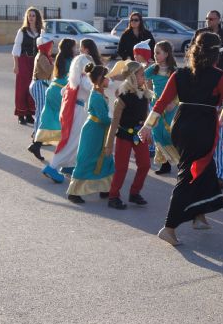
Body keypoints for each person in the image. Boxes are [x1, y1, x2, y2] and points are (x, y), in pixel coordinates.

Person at [139, 32, 223, 246]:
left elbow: (160, 103)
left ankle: (199, 215)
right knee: (188, 174)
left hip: (181, 125)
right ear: (216, 55)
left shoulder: (179, 75)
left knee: (206, 169)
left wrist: (148, 125)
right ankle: (169, 227)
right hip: (201, 127)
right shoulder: (219, 76)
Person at [191, 10, 223, 189]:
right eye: (207, 18)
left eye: (212, 19)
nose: (208, 21)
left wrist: (221, 68)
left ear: (218, 20)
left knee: (218, 140)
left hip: (216, 102)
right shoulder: (199, 34)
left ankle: (220, 175)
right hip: (201, 88)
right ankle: (197, 173)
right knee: (198, 140)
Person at [104, 61, 152, 210]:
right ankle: (113, 196)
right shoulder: (123, 97)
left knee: (145, 164)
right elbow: (115, 122)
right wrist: (109, 144)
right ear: (132, 76)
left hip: (139, 136)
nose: (144, 77)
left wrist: (147, 135)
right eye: (141, 75)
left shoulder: (145, 95)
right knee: (121, 168)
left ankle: (134, 193)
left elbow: (145, 119)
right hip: (124, 135)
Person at [66, 63, 115, 204]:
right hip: (93, 132)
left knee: (105, 159)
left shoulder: (99, 93)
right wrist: (116, 119)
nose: (109, 80)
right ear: (100, 78)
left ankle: (105, 188)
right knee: (87, 159)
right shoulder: (97, 96)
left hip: (100, 131)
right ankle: (74, 192)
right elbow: (104, 118)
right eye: (107, 78)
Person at [41, 53, 92, 183]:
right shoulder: (84, 79)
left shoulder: (73, 78)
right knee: (72, 142)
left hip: (70, 110)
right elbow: (93, 87)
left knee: (72, 140)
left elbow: (62, 92)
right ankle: (52, 167)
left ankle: (69, 166)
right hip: (78, 111)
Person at [144, 41, 179, 175]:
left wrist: (174, 103)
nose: (155, 55)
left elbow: (180, 90)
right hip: (156, 107)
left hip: (171, 107)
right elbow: (140, 77)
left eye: (158, 52)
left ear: (167, 53)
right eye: (154, 52)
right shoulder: (153, 69)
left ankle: (180, 162)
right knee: (157, 134)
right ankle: (165, 164)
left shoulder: (174, 71)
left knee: (170, 134)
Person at [34, 38, 76, 145]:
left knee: (48, 118)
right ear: (70, 48)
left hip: (52, 89)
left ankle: (36, 144)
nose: (76, 49)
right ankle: (64, 144)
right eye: (74, 47)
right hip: (60, 92)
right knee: (64, 118)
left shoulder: (59, 57)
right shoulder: (71, 61)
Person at [12, 7, 42, 125]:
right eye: (29, 15)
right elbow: (16, 48)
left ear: (37, 17)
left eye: (33, 15)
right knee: (22, 88)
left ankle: (30, 114)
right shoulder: (22, 31)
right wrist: (16, 65)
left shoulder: (41, 31)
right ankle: (21, 114)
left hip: (36, 62)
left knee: (33, 88)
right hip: (24, 60)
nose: (31, 18)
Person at [27, 31, 54, 160]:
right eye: (49, 46)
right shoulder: (42, 57)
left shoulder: (43, 55)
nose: (51, 48)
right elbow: (49, 70)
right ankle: (36, 142)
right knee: (40, 113)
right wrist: (55, 65)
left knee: (40, 112)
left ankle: (36, 138)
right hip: (39, 85)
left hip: (40, 85)